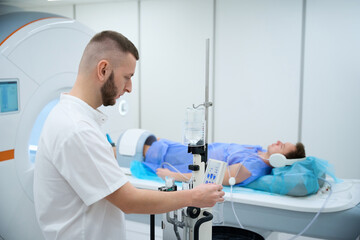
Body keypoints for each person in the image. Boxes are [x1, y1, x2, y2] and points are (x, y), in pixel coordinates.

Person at [33, 31, 224, 240]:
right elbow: (129, 201)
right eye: (127, 77)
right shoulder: (77, 129)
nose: (130, 88)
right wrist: (195, 196)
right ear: (103, 69)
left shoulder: (69, 118)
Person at [141, 138, 306, 186]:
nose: (277, 141)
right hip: (195, 148)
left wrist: (175, 175)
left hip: (191, 160)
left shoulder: (253, 166)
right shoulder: (257, 150)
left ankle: (115, 152)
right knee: (156, 142)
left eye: (282, 146)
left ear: (280, 160)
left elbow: (214, 177)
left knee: (145, 150)